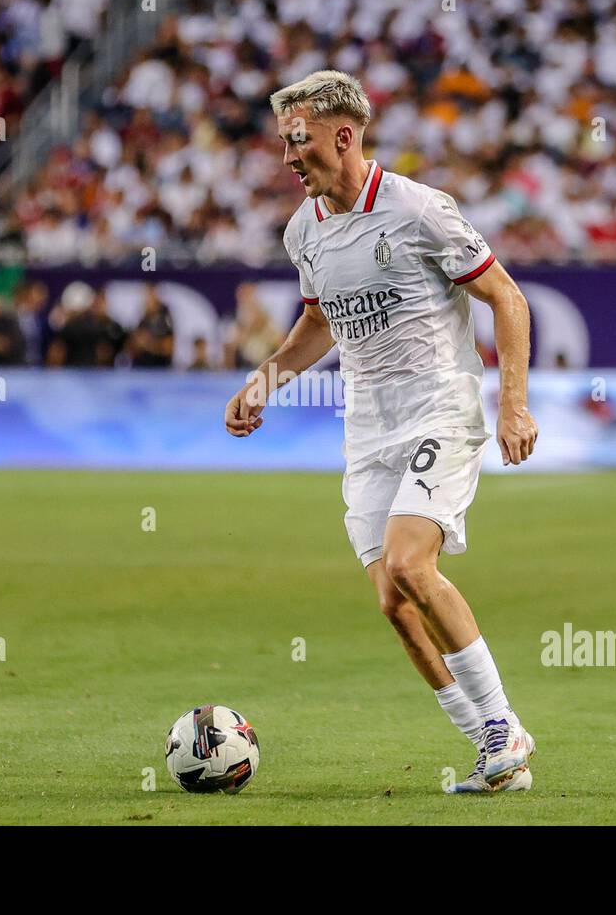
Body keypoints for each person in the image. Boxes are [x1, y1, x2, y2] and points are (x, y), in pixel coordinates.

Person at [223, 71, 538, 794]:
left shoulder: (420, 209)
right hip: (366, 426)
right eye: (282, 144)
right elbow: (320, 321)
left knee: (408, 564)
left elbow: (506, 298)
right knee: (393, 603)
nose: (287, 158)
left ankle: (504, 728)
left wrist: (513, 406)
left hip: (439, 407)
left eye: (297, 141)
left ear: (343, 135)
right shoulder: (304, 230)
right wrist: (262, 382)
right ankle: (492, 755)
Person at [126, 282, 175, 368]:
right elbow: (132, 348)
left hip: (161, 370)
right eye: (145, 295)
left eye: (149, 294)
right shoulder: (143, 318)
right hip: (142, 370)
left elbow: (169, 348)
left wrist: (148, 343)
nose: (146, 298)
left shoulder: (165, 316)